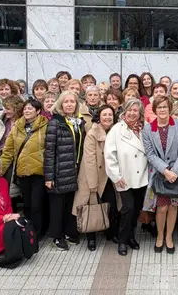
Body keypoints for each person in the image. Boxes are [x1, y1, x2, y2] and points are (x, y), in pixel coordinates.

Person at [142, 95, 178, 254]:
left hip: (176, 173)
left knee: (173, 207)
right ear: (155, 109)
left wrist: (174, 171)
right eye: (159, 107)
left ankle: (169, 237)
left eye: (165, 107)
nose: (162, 110)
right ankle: (160, 236)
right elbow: (150, 154)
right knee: (161, 208)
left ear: (170, 109)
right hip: (160, 174)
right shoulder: (148, 129)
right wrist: (165, 171)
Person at [104, 98, 148, 256]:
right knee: (127, 208)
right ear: (124, 111)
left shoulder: (144, 129)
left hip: (142, 176)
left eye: (135, 110)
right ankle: (122, 241)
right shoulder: (116, 130)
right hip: (124, 177)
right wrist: (115, 176)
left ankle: (131, 237)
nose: (132, 113)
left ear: (140, 113)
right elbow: (109, 155)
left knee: (136, 209)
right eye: (129, 110)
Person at [72, 105, 119, 251]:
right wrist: (92, 184)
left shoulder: (115, 132)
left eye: (110, 115)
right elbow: (89, 161)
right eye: (104, 115)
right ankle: (90, 238)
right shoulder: (92, 133)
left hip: (110, 177)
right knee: (91, 206)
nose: (107, 117)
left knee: (111, 205)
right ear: (99, 117)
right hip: (93, 177)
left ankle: (110, 233)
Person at [0, 99, 49, 236]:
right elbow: (8, 151)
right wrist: (0, 170)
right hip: (22, 171)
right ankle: (28, 231)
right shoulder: (17, 126)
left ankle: (38, 232)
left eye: (30, 108)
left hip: (39, 172)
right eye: (25, 108)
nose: (27, 111)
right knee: (27, 204)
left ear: (38, 111)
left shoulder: (45, 125)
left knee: (37, 205)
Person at [44, 93, 85, 251]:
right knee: (57, 207)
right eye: (66, 102)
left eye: (72, 102)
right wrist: (49, 176)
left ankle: (69, 232)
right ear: (60, 105)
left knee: (69, 204)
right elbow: (49, 152)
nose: (69, 104)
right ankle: (57, 235)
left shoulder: (78, 122)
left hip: (73, 171)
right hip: (59, 171)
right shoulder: (55, 123)